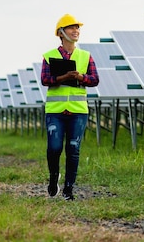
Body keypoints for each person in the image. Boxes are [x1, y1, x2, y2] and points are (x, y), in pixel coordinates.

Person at [41, 13, 99, 200]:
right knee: (54, 148)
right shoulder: (49, 56)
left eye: (77, 28)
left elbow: (95, 79)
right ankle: (53, 178)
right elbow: (45, 79)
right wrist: (63, 78)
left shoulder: (85, 56)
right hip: (55, 111)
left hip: (77, 111)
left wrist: (81, 77)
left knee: (73, 149)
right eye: (71, 27)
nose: (76, 31)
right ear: (61, 33)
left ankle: (68, 189)